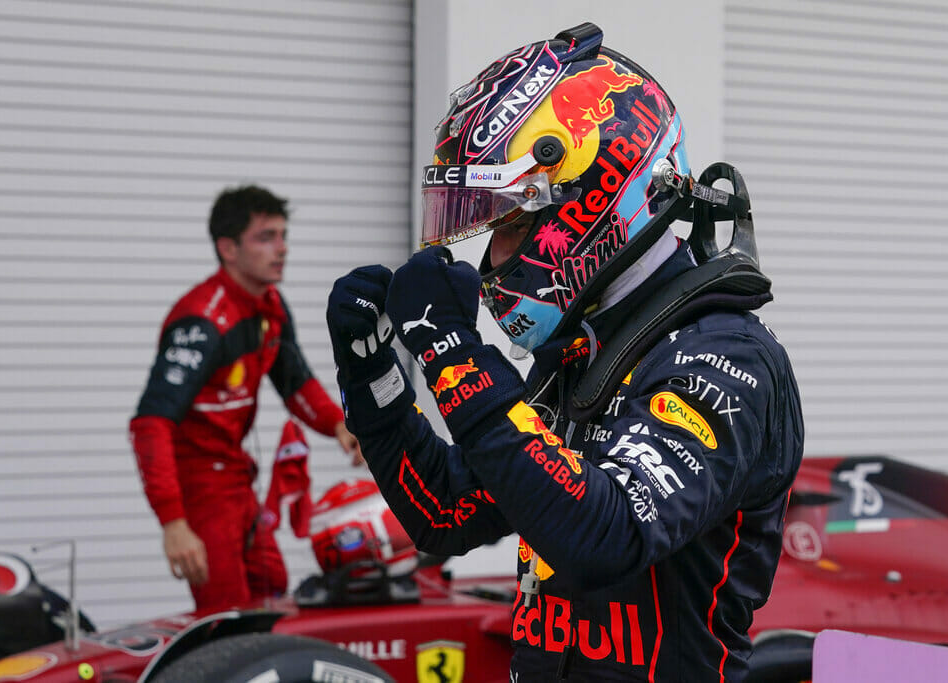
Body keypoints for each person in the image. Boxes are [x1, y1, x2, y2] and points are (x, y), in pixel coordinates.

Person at [326, 23, 803, 682]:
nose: (493, 258)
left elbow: (605, 534)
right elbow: (446, 511)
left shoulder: (727, 355)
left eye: (514, 224)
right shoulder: (582, 354)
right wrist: (376, 375)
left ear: (596, 198)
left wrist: (455, 352)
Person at [130, 184, 361, 612]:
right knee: (226, 617)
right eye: (266, 237)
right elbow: (149, 424)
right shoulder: (201, 321)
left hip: (238, 481)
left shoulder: (268, 304)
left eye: (283, 235)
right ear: (228, 248)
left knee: (272, 588)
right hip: (201, 491)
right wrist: (174, 524)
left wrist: (338, 425)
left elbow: (295, 381)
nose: (282, 248)